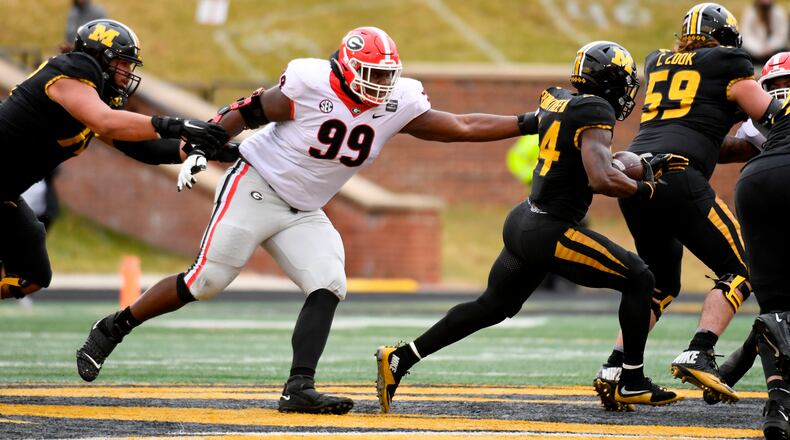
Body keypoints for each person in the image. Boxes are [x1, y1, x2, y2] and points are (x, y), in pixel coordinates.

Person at [75, 26, 533, 415]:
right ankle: (113, 326)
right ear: (348, 68)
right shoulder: (310, 83)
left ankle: (298, 387)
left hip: (305, 208)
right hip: (256, 186)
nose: (380, 86)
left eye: (386, 77)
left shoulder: (400, 101)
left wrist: (530, 121)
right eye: (371, 75)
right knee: (206, 282)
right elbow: (245, 111)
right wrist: (201, 148)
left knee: (329, 280)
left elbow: (464, 126)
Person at [376, 40, 684, 415]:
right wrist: (647, 189)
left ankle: (401, 358)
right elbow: (601, 178)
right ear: (609, 82)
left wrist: (629, 167)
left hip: (524, 220)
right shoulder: (595, 109)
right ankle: (630, 379)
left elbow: (539, 140)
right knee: (640, 278)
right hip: (550, 231)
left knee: (492, 306)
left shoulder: (557, 101)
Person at [592, 2, 783, 410]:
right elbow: (767, 110)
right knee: (741, 267)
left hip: (638, 175)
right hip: (678, 175)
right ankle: (700, 349)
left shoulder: (660, 62)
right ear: (728, 38)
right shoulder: (729, 62)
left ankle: (616, 368)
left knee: (660, 283)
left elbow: (712, 139)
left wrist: (749, 143)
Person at [0, 19, 230, 301]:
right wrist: (178, 124)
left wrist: (208, 149)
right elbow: (105, 121)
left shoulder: (95, 97)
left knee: (32, 275)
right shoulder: (74, 70)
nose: (127, 72)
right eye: (122, 63)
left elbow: (143, 148)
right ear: (100, 56)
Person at [741, 0, 789, 65]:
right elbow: (746, 35)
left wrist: (771, 47)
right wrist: (759, 49)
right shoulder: (750, 12)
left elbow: (781, 35)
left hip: (773, 51)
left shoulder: (778, 12)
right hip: (755, 52)